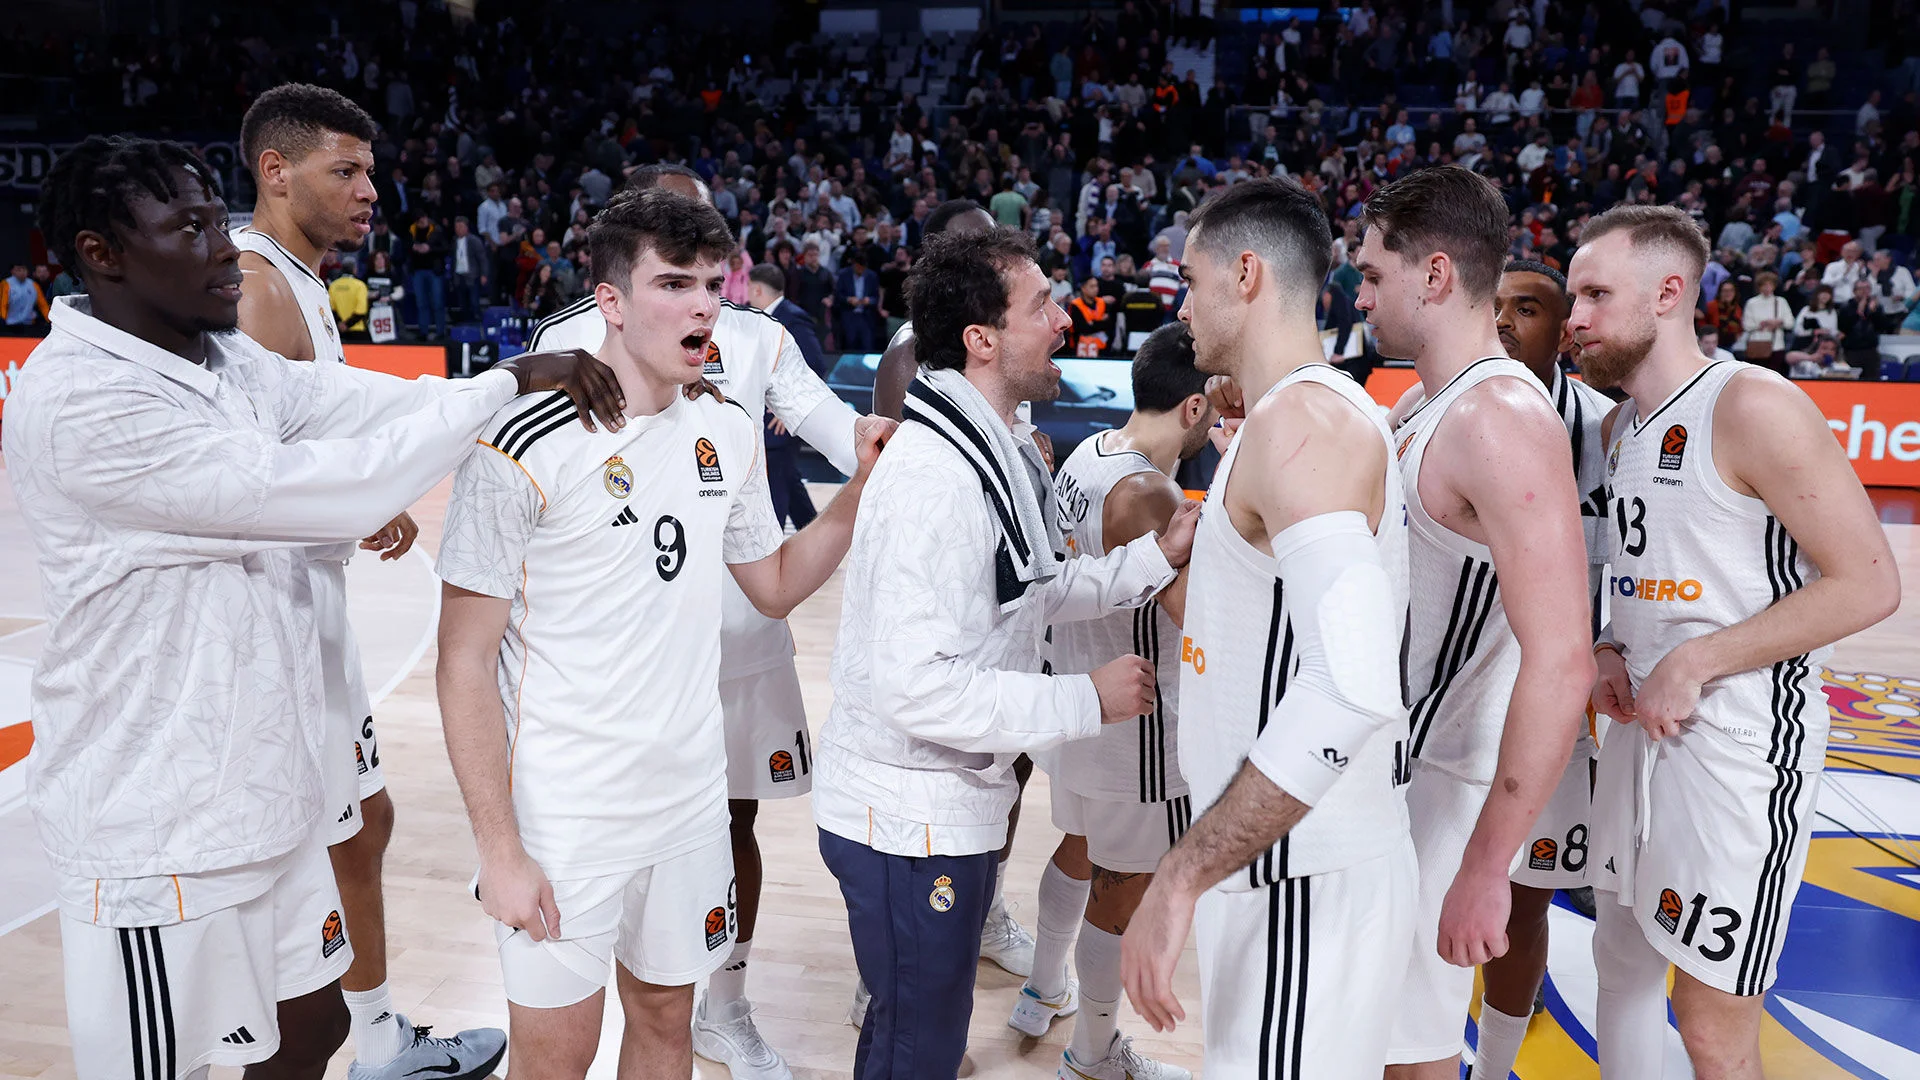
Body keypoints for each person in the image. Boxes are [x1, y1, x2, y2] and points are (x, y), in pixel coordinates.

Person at [7, 133, 622, 1080]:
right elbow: (327, 490)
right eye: (189, 228)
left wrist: (487, 389)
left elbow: (340, 402)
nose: (225, 245)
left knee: (315, 1028)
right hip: (155, 831)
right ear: (102, 255)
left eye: (217, 218)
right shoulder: (86, 401)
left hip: (260, 788)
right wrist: (502, 386)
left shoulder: (213, 354)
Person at [436, 188, 893, 1080]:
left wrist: (857, 494)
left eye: (713, 286)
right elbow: (462, 662)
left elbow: (773, 586)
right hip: (566, 812)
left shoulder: (724, 422)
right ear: (609, 301)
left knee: (665, 1029)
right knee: (556, 1057)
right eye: (674, 284)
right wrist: (499, 847)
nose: (702, 307)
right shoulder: (523, 441)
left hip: (689, 798)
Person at [815, 226, 1197, 1079]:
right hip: (904, 822)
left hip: (933, 810)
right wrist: (1084, 700)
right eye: (1042, 306)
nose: (1064, 320)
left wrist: (1147, 561)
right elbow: (918, 690)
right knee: (920, 1050)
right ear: (983, 340)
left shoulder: (985, 444)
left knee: (910, 1036)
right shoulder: (934, 479)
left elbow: (1030, 589)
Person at [1567, 202, 1900, 1080]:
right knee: (1626, 961)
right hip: (1644, 734)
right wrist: (1609, 645)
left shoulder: (1753, 403)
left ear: (1669, 292)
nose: (1576, 319)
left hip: (1742, 745)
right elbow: (1641, 571)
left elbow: (1869, 583)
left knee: (1713, 1023)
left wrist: (1699, 659)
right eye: (1574, 297)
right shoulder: (1616, 426)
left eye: (1596, 294)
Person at [230, 83, 509, 1079]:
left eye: (372, 172)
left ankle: (377, 1033)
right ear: (276, 171)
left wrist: (369, 499)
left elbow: (308, 436)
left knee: (367, 820)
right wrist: (358, 500)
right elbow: (253, 486)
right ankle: (316, 1039)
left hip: (315, 610)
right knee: (309, 848)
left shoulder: (299, 281)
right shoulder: (257, 287)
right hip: (274, 624)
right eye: (345, 171)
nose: (369, 192)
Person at [1121, 176, 1415, 1078]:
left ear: (1245, 274)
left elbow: (1353, 685)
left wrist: (1179, 874)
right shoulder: (1284, 417)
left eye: (1189, 278)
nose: (1180, 304)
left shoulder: (1305, 426)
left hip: (1298, 873)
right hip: (1279, 862)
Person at [1358, 167, 1596, 1080]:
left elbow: (1563, 659)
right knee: (1373, 1045)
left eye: (1376, 274)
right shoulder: (1425, 402)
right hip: (1388, 780)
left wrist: (1491, 864)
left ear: (1435, 273)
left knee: (1409, 1059)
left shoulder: (1498, 418)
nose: (1363, 294)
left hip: (1439, 790)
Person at [1014, 322, 1214, 1080]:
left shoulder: (1091, 452)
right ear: (1194, 408)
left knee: (1076, 851)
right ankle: (1092, 1056)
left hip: (1077, 705)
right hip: (1138, 733)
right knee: (1121, 889)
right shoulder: (1151, 492)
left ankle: (1040, 988)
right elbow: (1203, 623)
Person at [1466, 260, 1618, 1080]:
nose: (1501, 323)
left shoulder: (1609, 431)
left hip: (1554, 709)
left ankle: (1492, 1067)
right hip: (1453, 703)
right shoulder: (1428, 411)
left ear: (1562, 330)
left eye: (1525, 309)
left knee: (1525, 899)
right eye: (1492, 307)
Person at [747, 262, 825, 529]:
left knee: (776, 484)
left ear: (756, 289)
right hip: (769, 413)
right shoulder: (767, 317)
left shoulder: (793, 317)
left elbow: (815, 363)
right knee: (788, 480)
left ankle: (772, 552)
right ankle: (813, 534)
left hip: (779, 416)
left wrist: (790, 407)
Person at [3, 261, 50, 332]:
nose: (22, 272)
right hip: (10, 324)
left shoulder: (34, 285)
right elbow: (2, 305)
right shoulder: (5, 284)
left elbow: (43, 305)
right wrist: (2, 321)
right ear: (12, 272)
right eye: (18, 270)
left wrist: (49, 320)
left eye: (24, 269)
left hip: (29, 324)